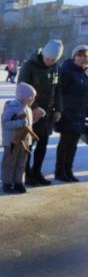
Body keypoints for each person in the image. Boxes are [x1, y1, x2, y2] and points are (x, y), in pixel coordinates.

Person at [17, 39, 63, 186]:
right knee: (28, 145)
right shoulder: (29, 66)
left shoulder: (55, 67)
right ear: (43, 53)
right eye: (48, 58)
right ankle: (27, 173)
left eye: (53, 59)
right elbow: (22, 88)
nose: (49, 61)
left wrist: (58, 108)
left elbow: (57, 90)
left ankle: (37, 172)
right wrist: (34, 107)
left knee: (42, 145)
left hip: (48, 114)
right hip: (31, 113)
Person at [0, 82, 44, 194]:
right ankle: (8, 183)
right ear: (24, 98)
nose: (33, 99)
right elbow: (5, 123)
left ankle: (19, 182)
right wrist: (20, 123)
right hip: (12, 141)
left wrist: (35, 119)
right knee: (10, 163)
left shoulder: (28, 108)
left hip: (24, 142)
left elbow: (27, 124)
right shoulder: (11, 107)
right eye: (32, 97)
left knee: (21, 163)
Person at [54, 45, 88, 182]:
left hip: (79, 114)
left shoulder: (83, 73)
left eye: (86, 57)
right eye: (80, 56)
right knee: (65, 143)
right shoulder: (66, 71)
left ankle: (68, 170)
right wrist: (61, 110)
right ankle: (60, 171)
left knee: (73, 144)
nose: (83, 59)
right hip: (68, 114)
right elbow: (59, 93)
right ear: (74, 56)